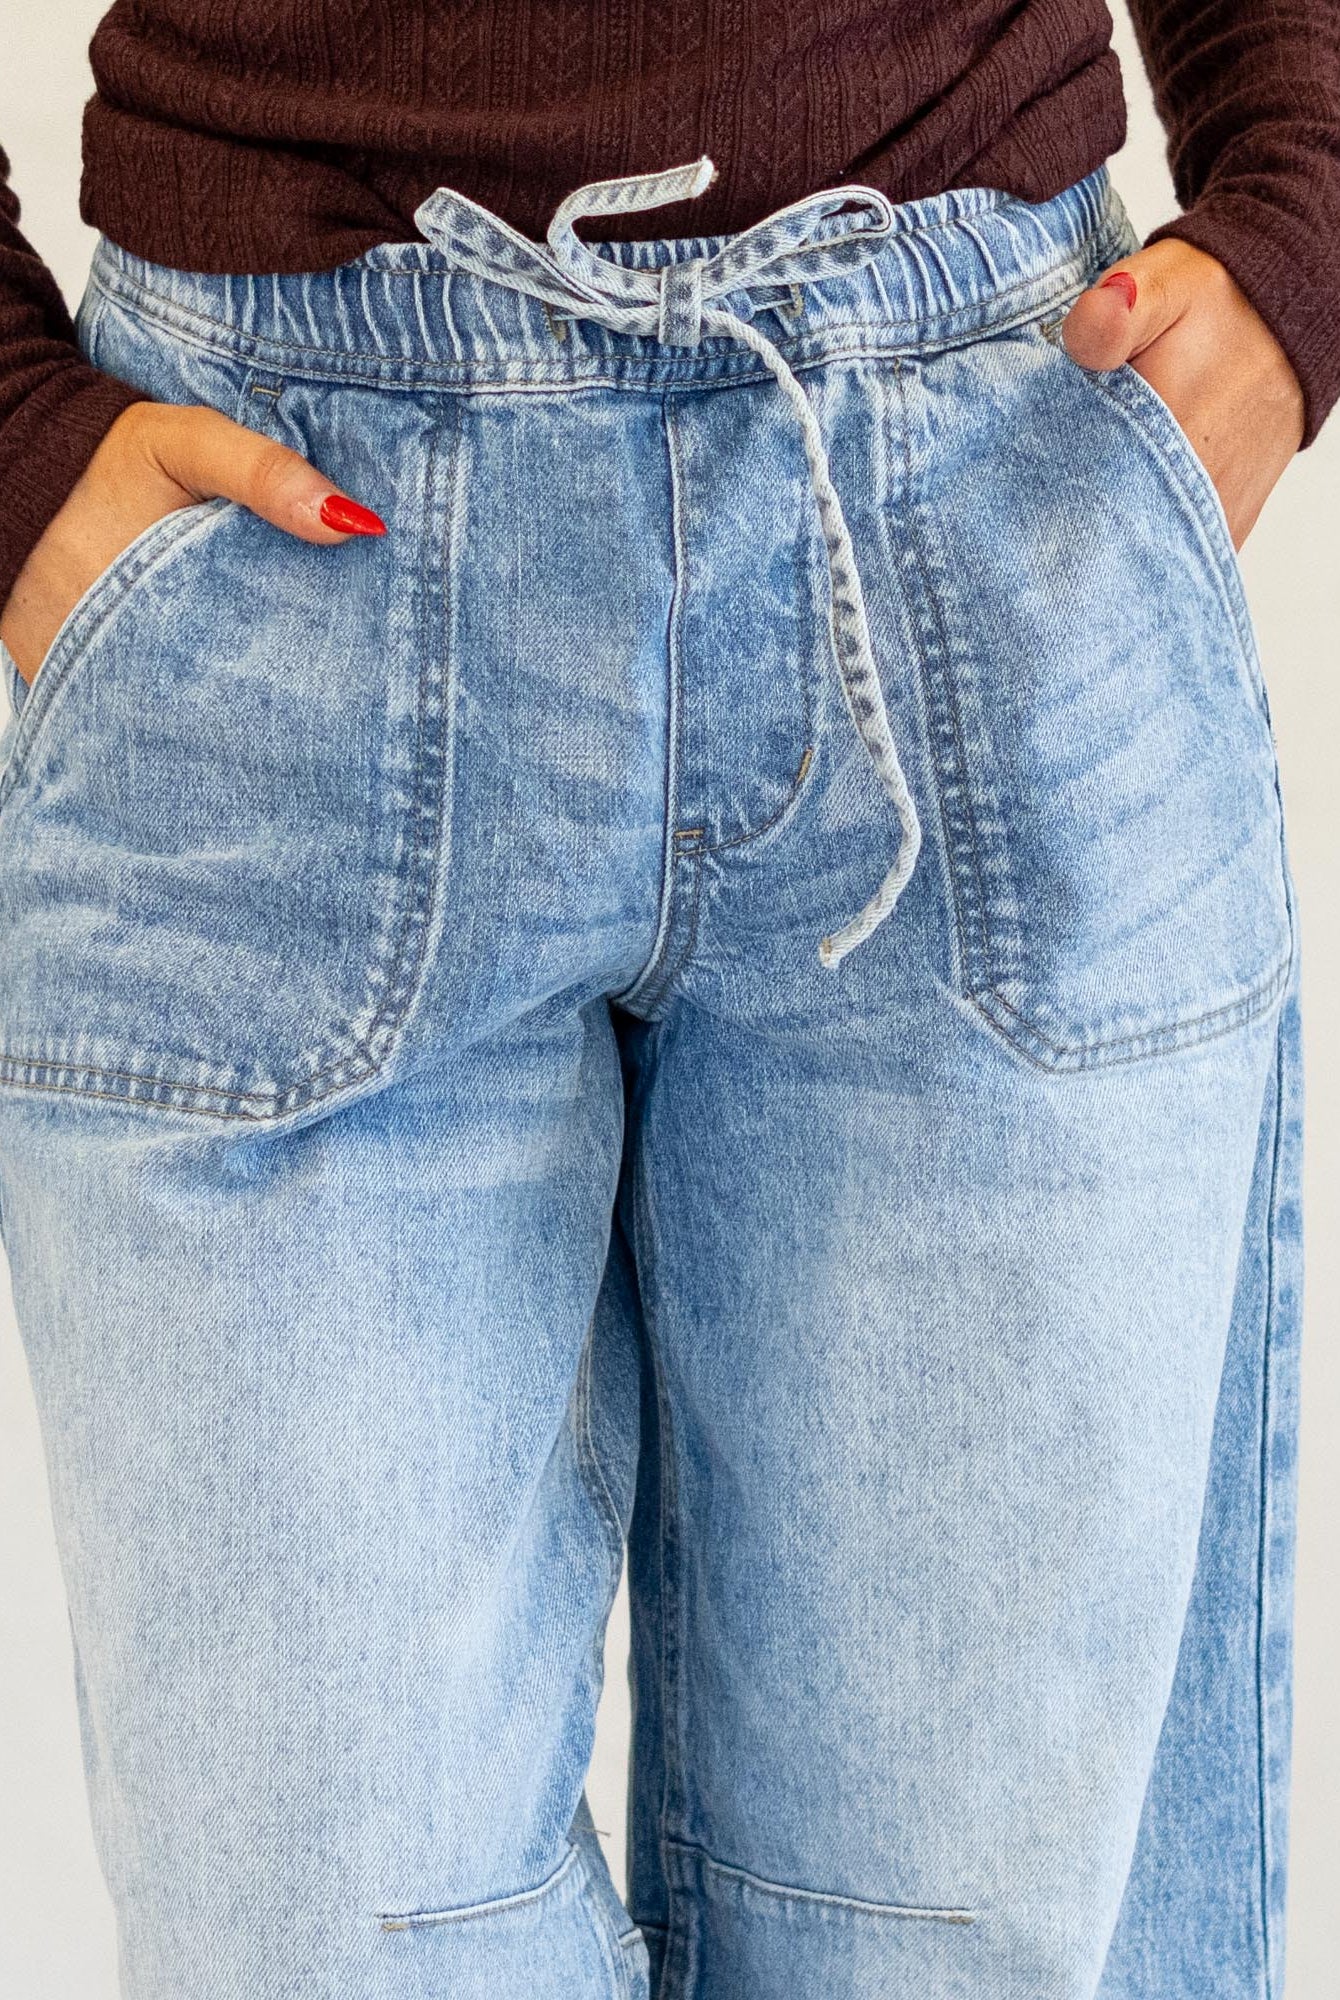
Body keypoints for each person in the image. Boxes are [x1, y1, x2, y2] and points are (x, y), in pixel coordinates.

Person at [0, 5, 1326, 1996]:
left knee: (962, 1947)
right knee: (323, 1929)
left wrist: (1302, 213)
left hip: (986, 488)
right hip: (279, 556)